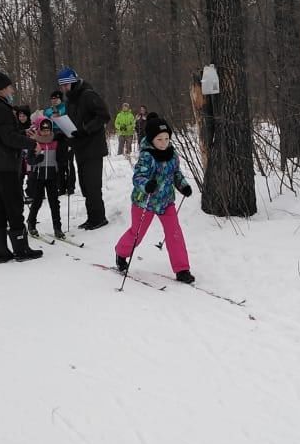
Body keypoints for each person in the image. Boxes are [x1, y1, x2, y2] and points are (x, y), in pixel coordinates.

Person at [114, 115, 194, 283]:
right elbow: (138, 177)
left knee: (174, 233)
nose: (164, 142)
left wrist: (183, 186)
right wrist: (147, 184)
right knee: (137, 233)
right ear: (151, 139)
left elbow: (176, 174)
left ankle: (182, 269)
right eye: (159, 139)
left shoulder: (172, 154)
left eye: (167, 138)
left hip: (166, 202)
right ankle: (121, 253)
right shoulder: (147, 156)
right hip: (145, 202)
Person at [0, 70, 42, 262]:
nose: (12, 90)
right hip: (3, 165)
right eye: (10, 87)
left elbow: (1, 135)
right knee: (14, 206)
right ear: (2, 89)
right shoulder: (1, 109)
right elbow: (7, 138)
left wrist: (23, 134)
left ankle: (0, 251)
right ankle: (21, 249)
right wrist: (32, 143)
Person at [57, 66, 110, 229]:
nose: (64, 89)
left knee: (93, 184)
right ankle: (92, 216)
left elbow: (104, 116)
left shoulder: (88, 95)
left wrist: (86, 129)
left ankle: (99, 217)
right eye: (62, 86)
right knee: (85, 185)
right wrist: (65, 132)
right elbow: (74, 123)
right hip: (79, 147)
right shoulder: (70, 101)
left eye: (66, 85)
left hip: (93, 147)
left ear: (73, 82)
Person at [25, 116, 64, 239]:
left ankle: (57, 228)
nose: (46, 132)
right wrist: (37, 159)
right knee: (37, 201)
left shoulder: (55, 141)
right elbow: (29, 160)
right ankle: (31, 223)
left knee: (54, 202)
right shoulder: (33, 142)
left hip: (52, 175)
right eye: (43, 130)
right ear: (38, 129)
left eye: (48, 130)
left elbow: (61, 156)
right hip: (38, 176)